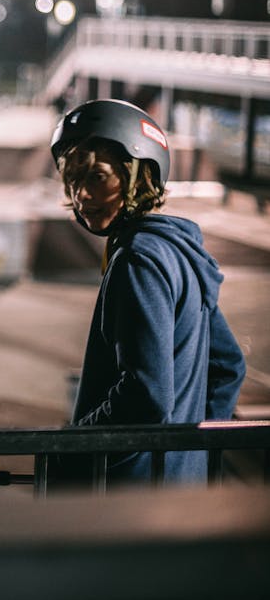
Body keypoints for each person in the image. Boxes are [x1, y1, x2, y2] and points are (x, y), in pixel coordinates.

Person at [49, 98, 245, 485]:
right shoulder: (178, 252)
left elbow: (146, 396)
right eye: (73, 180)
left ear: (139, 176)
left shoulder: (138, 260)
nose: (81, 195)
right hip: (175, 490)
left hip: (127, 496)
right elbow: (227, 366)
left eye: (96, 177)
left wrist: (77, 445)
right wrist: (192, 456)